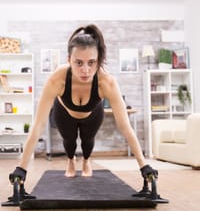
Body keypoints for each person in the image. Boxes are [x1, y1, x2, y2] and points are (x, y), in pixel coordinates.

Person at [9, 24, 158, 190]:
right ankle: (71, 160)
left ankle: (86, 161)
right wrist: (21, 168)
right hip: (64, 112)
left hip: (92, 114)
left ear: (98, 60)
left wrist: (143, 166)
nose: (85, 70)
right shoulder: (56, 80)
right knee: (69, 141)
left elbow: (125, 126)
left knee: (88, 141)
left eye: (91, 62)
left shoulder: (106, 82)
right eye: (78, 63)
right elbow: (38, 125)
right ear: (68, 60)